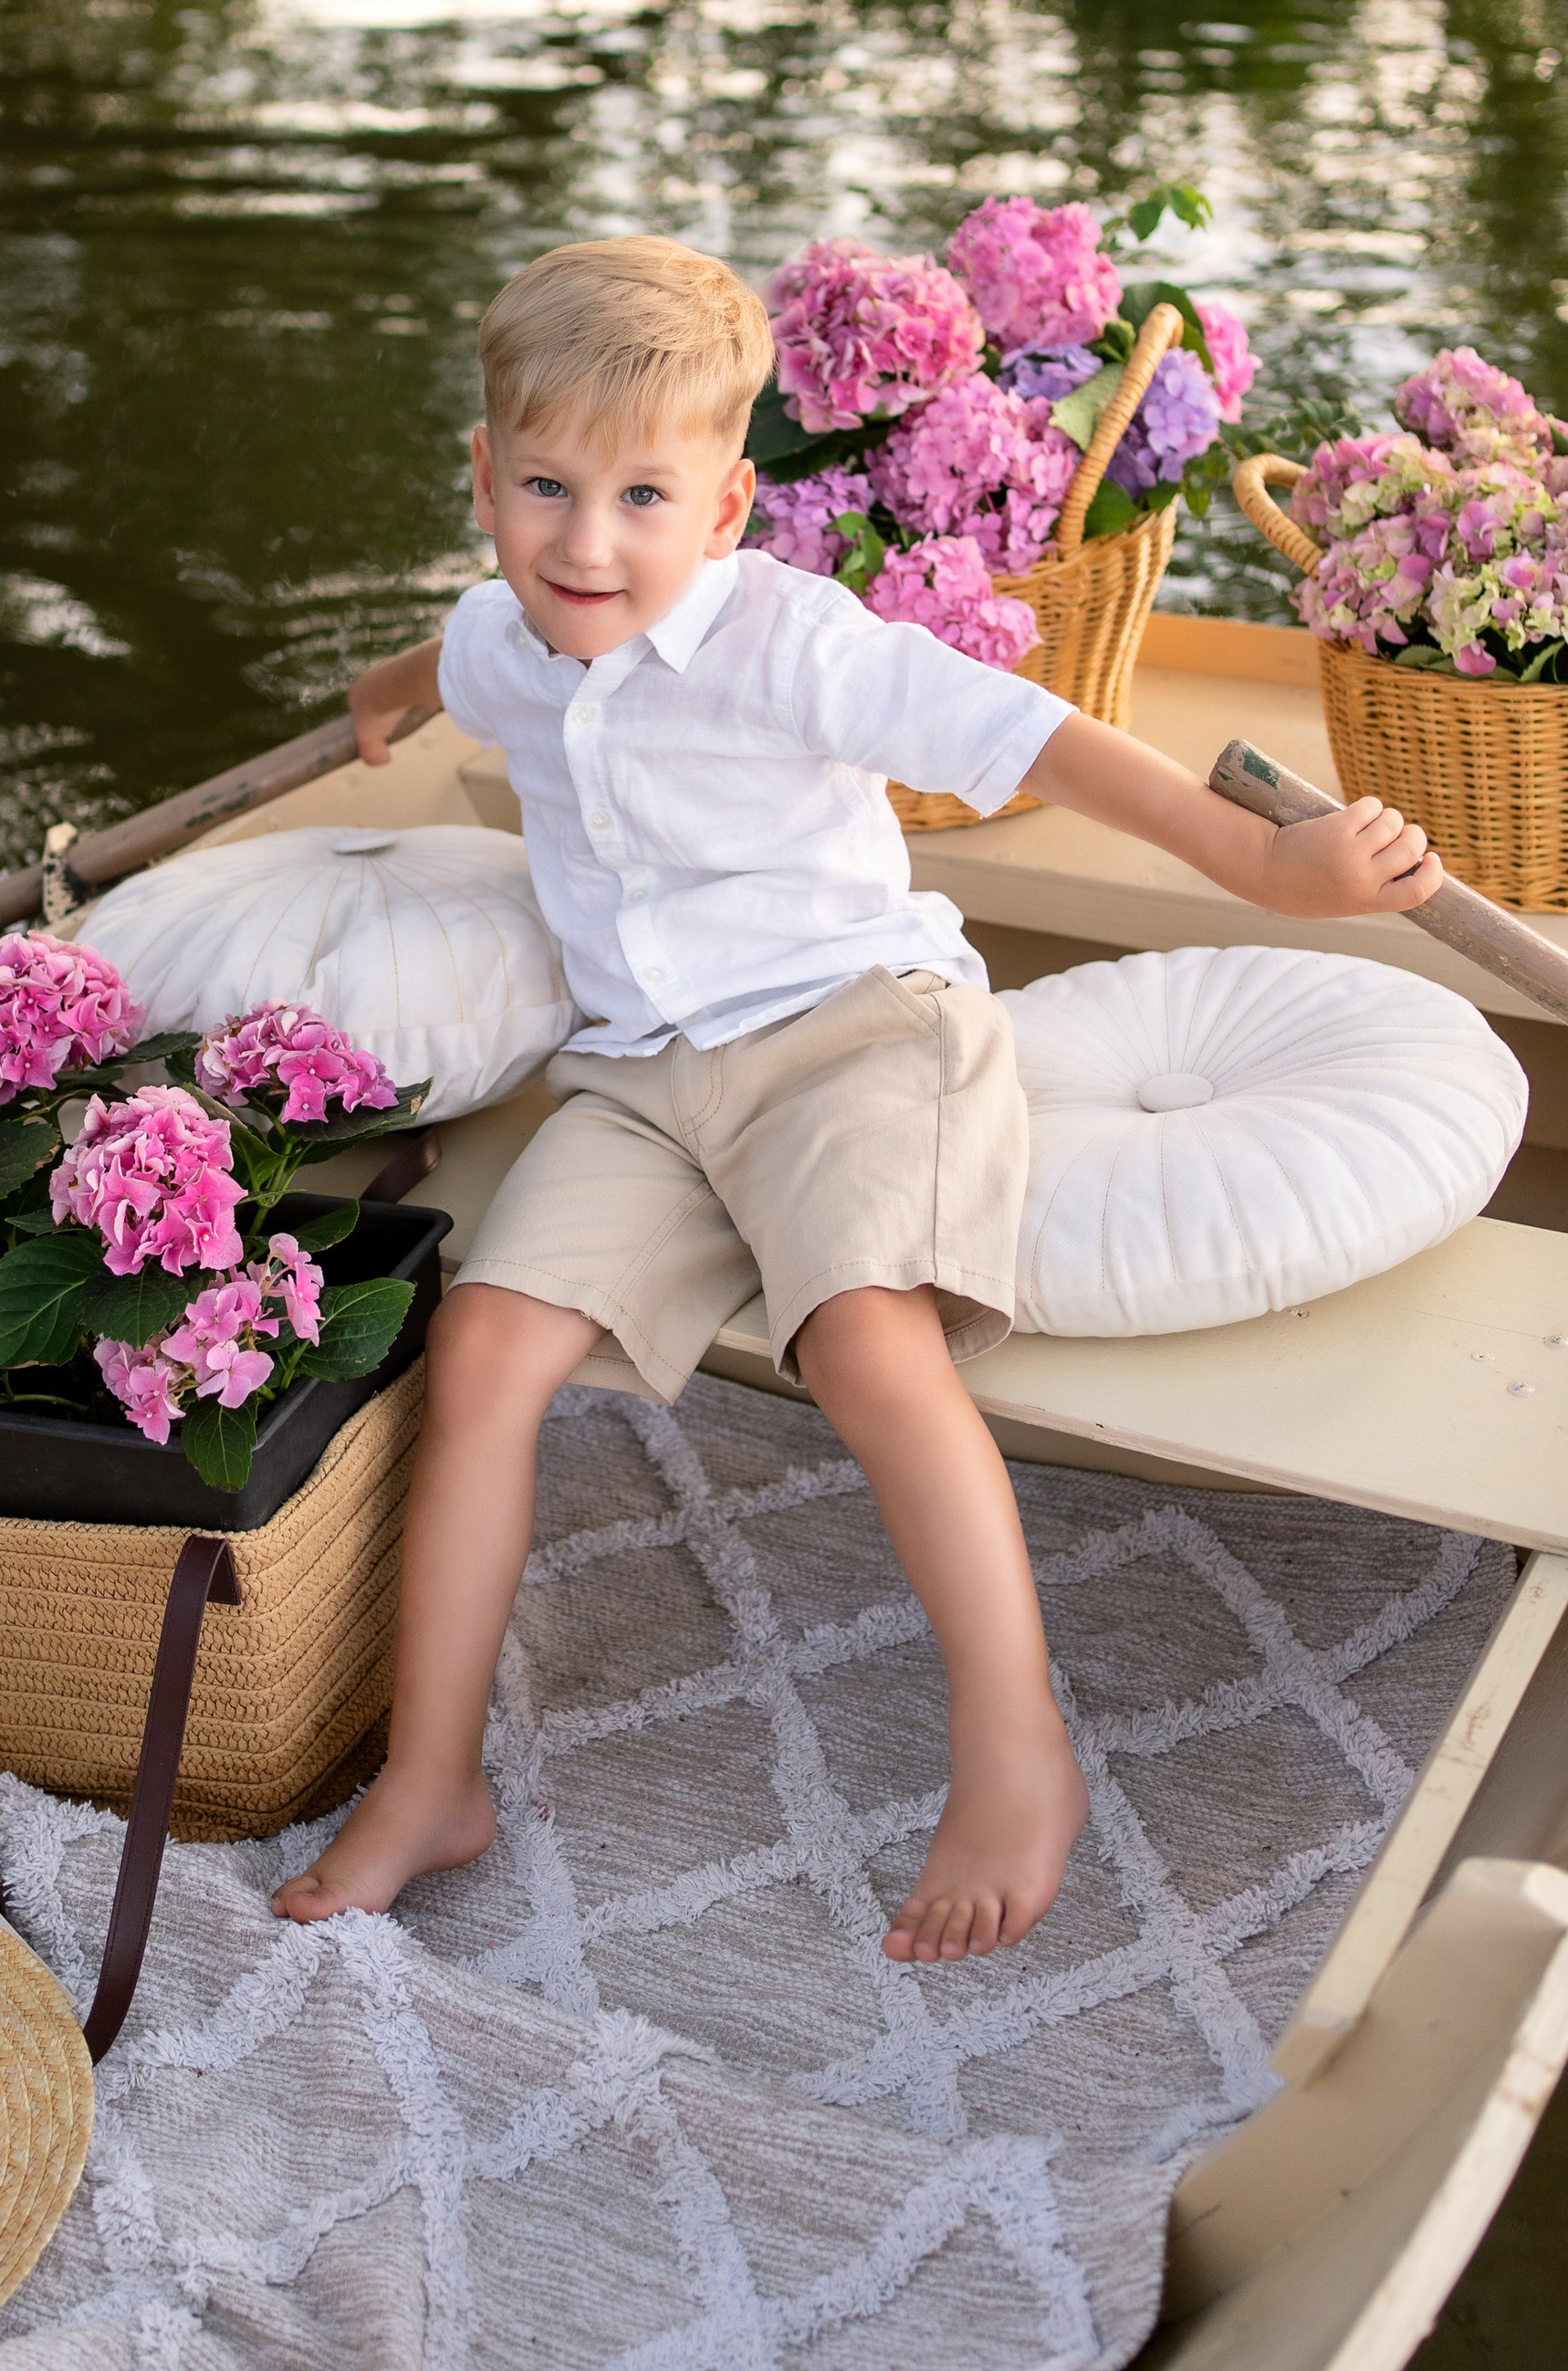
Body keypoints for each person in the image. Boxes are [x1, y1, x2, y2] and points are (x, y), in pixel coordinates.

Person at [273, 235, 1441, 1962]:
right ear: (485, 479)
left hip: (849, 1029)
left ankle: (1017, 1744)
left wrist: (1269, 867)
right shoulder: (503, 638)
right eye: (545, 488)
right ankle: (433, 1776)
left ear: (731, 507)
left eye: (645, 497)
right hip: (643, 1069)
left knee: (864, 1340)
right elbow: (441, 675)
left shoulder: (796, 645)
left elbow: (1043, 741)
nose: (587, 543)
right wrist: (371, 712)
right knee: (484, 1347)